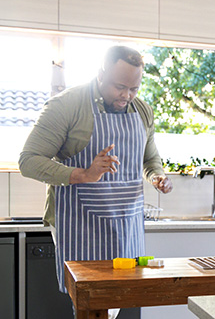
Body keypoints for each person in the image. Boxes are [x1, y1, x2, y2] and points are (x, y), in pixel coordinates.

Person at [19, 46, 172, 315]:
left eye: (134, 88)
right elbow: (28, 160)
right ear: (100, 73)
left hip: (126, 222)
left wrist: (157, 177)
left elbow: (150, 160)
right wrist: (82, 174)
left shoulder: (143, 111)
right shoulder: (67, 105)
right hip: (78, 223)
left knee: (117, 301)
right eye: (119, 86)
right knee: (89, 303)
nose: (126, 96)